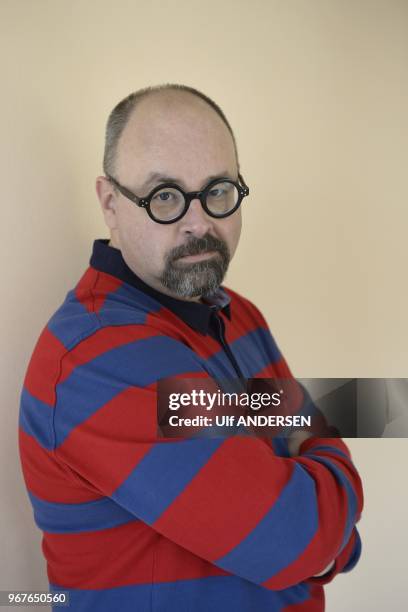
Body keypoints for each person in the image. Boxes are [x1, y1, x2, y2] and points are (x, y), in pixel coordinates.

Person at [19, 84, 363, 612]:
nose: (199, 222)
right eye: (164, 196)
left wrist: (320, 531)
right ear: (111, 204)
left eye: (218, 190)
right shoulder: (99, 359)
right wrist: (323, 534)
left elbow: (310, 430)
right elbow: (293, 542)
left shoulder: (237, 313)